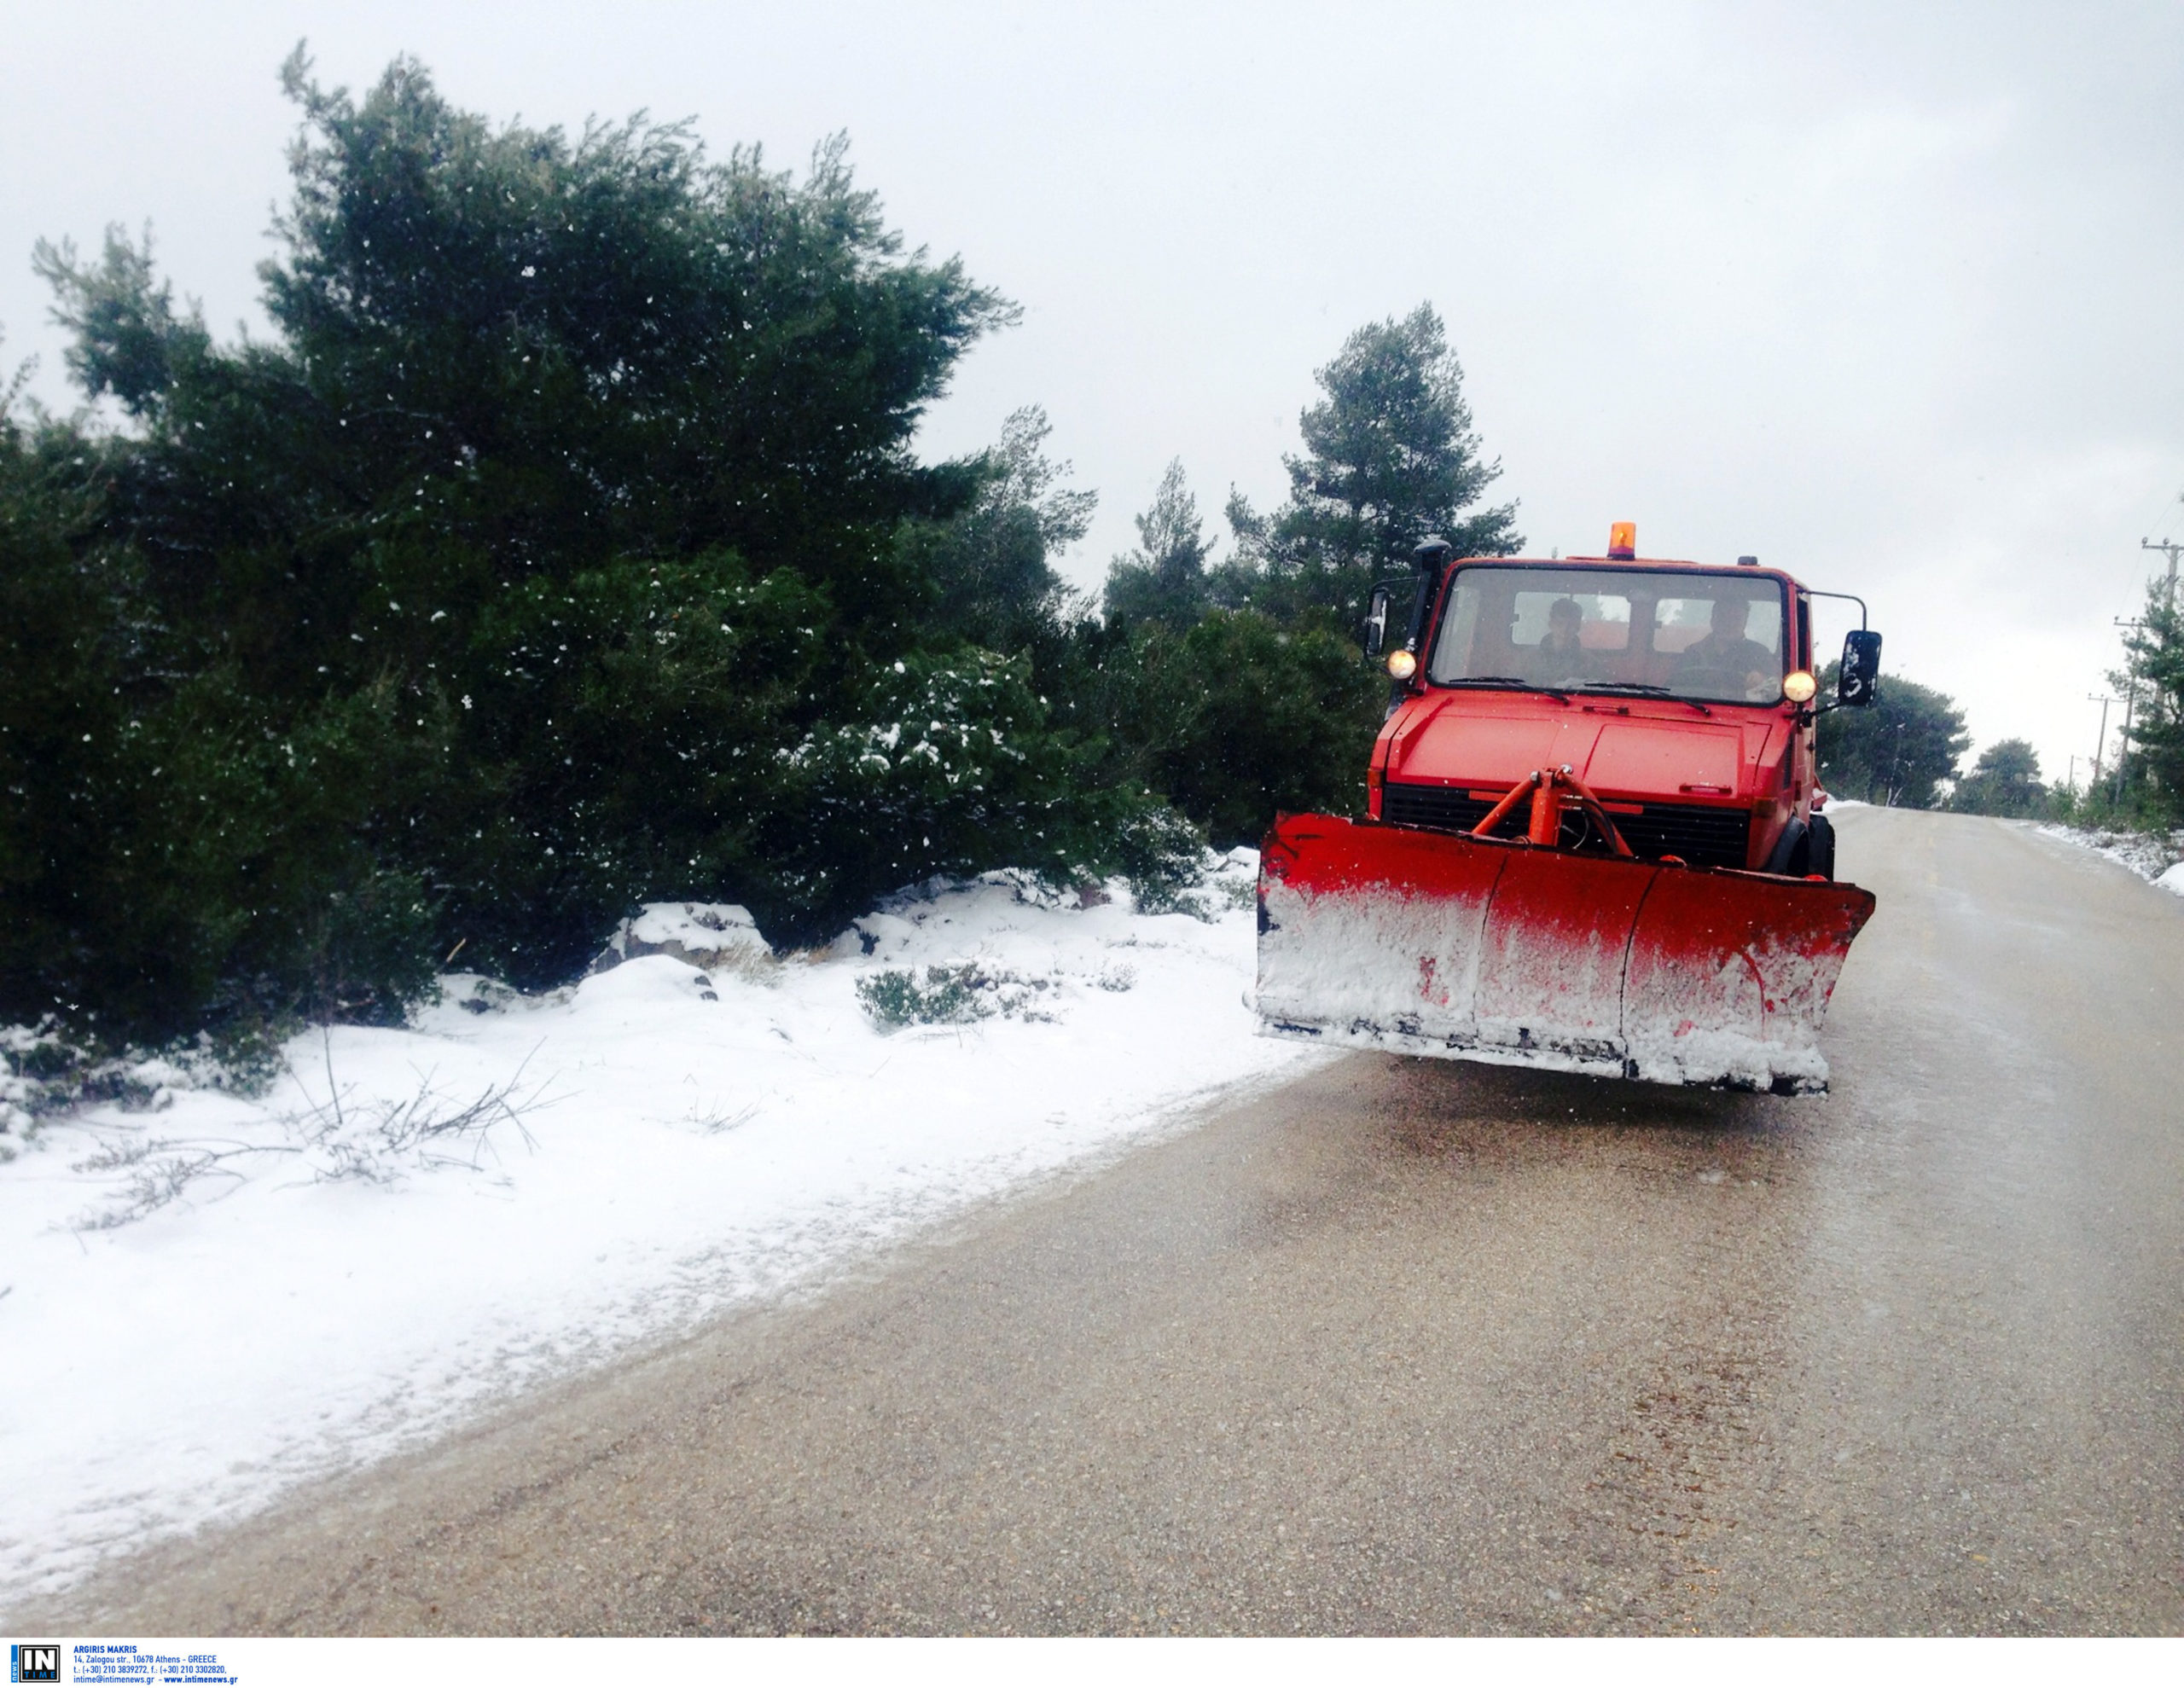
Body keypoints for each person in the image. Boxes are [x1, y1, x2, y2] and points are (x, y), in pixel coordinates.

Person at [1675, 597, 1778, 698]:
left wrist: (1762, 679)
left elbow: (1776, 690)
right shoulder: (1693, 653)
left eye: (1736, 618)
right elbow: (1674, 689)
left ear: (1745, 622)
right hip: (1696, 710)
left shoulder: (1760, 654)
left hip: (1746, 710)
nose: (1730, 624)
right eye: (1723, 617)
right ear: (1713, 621)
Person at [1523, 596, 1598, 684]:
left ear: (1578, 627)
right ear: (1551, 624)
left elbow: (1596, 693)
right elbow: (1514, 689)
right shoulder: (1528, 660)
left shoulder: (1590, 663)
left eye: (1571, 625)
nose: (1565, 629)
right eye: (1560, 623)